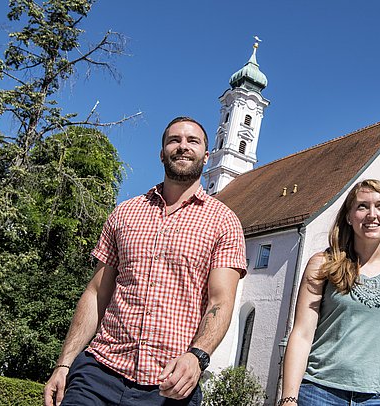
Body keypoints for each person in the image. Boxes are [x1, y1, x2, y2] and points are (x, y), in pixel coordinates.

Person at [43, 117, 247, 406]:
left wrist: (198, 356)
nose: (183, 147)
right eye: (174, 140)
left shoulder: (224, 222)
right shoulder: (125, 213)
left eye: (193, 141)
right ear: (162, 152)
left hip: (168, 385)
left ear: (207, 155)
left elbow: (220, 303)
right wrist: (64, 364)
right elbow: (96, 292)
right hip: (98, 372)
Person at [279, 179, 380, 406]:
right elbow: (302, 334)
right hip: (320, 393)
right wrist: (289, 399)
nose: (372, 214)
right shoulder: (323, 265)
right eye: (362, 206)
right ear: (349, 217)